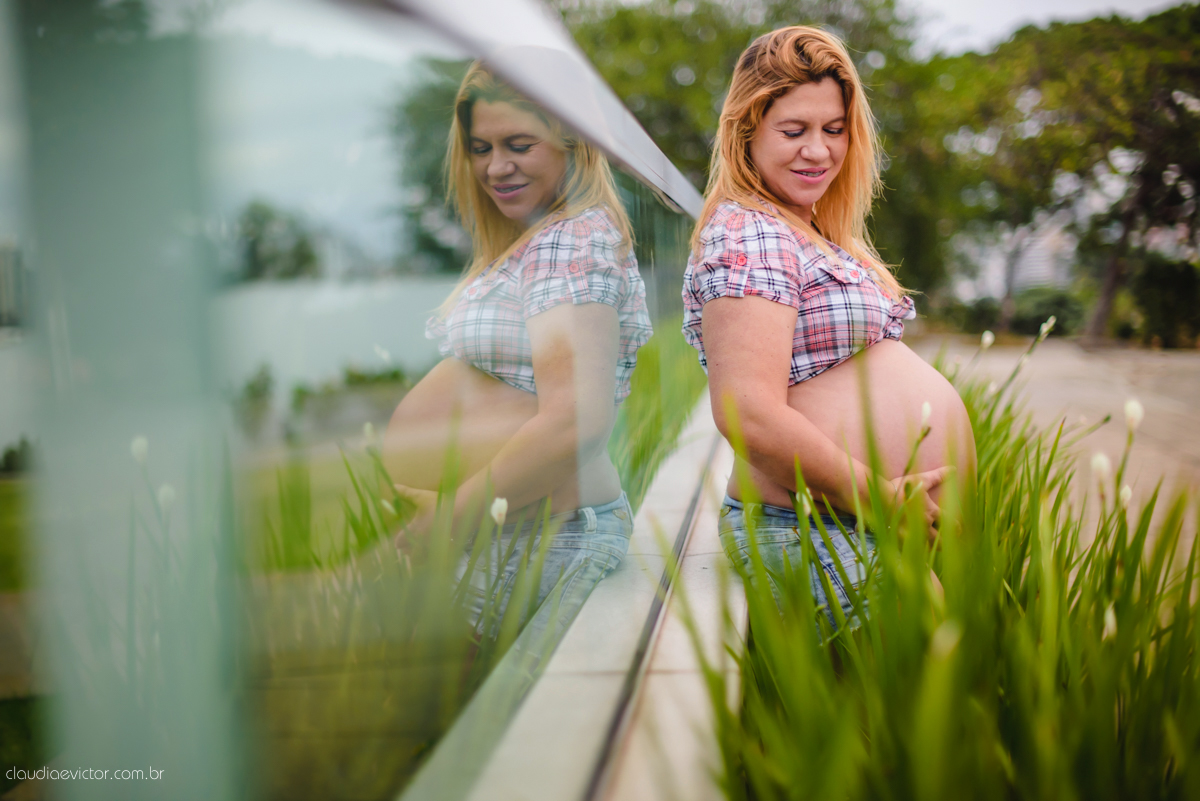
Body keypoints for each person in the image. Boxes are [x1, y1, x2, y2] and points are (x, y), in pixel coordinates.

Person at [682, 26, 975, 630]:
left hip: (848, 520)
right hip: (814, 526)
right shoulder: (748, 233)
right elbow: (748, 415)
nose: (817, 151)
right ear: (746, 132)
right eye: (793, 131)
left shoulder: (806, 229)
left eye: (833, 130)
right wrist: (883, 498)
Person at [384, 63, 650, 632]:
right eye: (480, 148)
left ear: (573, 143)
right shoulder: (540, 239)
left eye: (519, 145)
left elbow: (574, 421)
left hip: (546, 541)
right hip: (521, 535)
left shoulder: (571, 239)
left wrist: (449, 519)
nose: (495, 167)